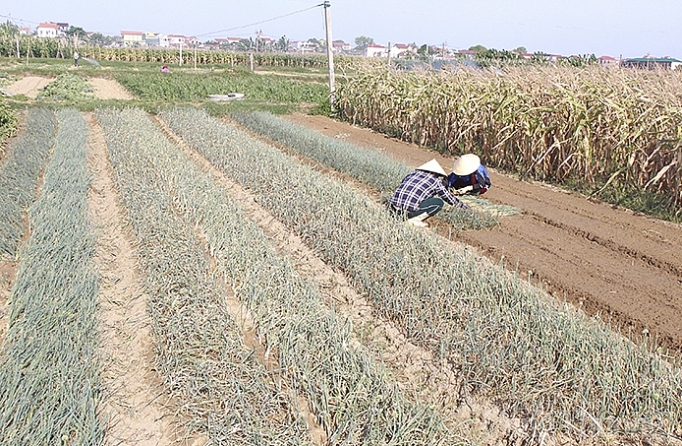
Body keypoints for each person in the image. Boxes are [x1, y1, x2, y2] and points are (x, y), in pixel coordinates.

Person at [389, 159, 469, 227]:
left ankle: (399, 216)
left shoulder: (412, 174)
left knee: (426, 196)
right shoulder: (435, 181)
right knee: (438, 202)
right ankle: (414, 220)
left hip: (394, 208)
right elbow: (448, 198)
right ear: (436, 173)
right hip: (407, 212)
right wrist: (463, 206)